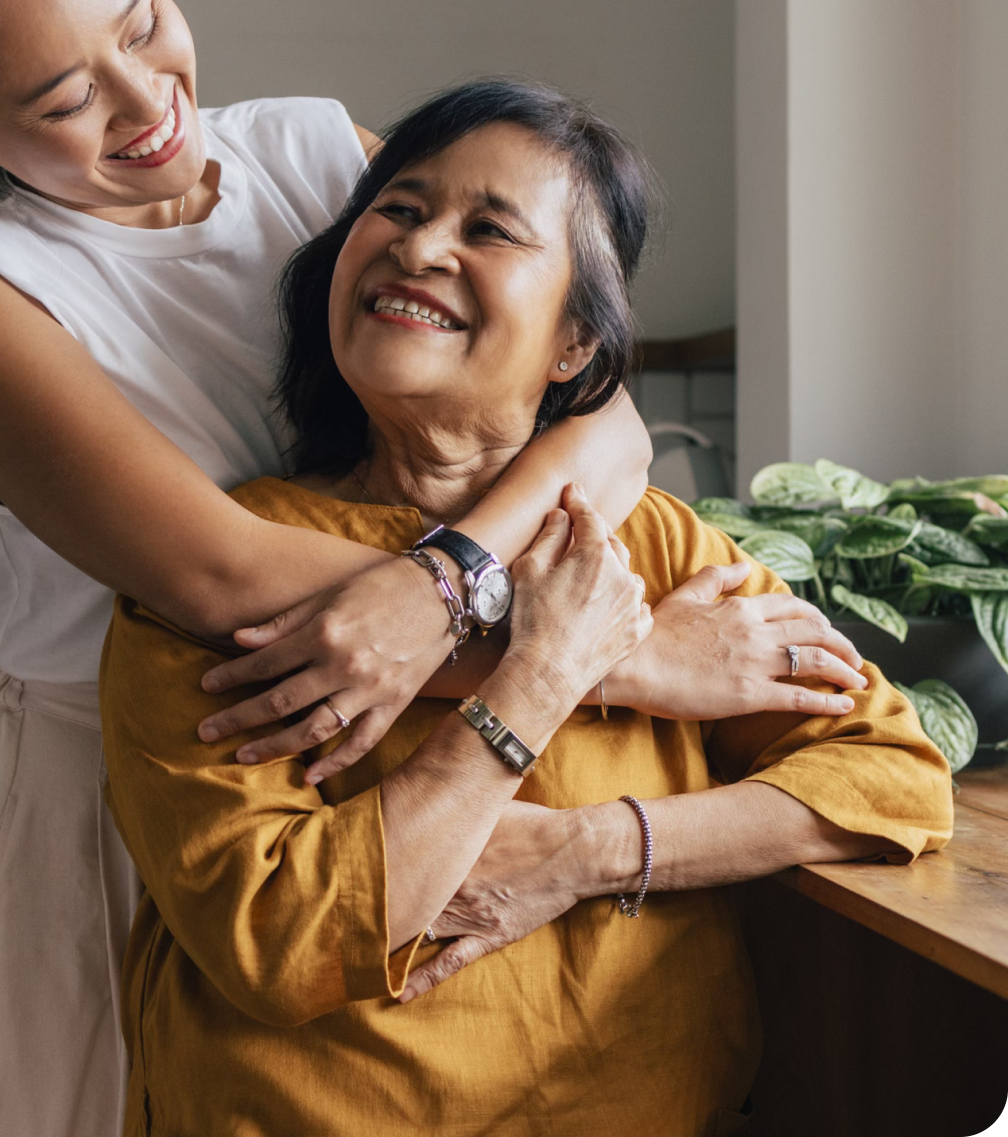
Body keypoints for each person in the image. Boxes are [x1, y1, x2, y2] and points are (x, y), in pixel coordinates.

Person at [0, 0, 659, 1134]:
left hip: (381, 790)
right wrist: (605, 652)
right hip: (114, 809)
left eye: (144, 20)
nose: (145, 97)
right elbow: (214, 578)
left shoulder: (321, 157)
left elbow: (606, 416)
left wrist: (446, 586)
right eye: (65, 100)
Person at [99, 81, 954, 1137]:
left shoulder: (653, 544)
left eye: (489, 229)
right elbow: (279, 937)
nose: (419, 249)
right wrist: (541, 674)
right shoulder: (220, 573)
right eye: (400, 210)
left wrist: (592, 849)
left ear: (574, 348)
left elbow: (892, 781)